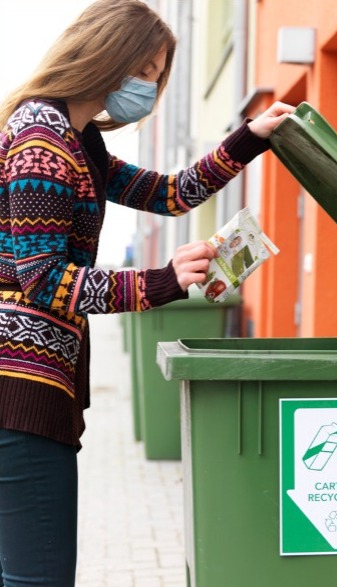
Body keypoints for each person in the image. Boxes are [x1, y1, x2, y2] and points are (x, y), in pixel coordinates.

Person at [0, 0, 293, 585]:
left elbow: (171, 194)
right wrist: (162, 282)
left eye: (158, 75)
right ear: (109, 55)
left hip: (31, 385)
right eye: (148, 70)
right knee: (39, 577)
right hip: (19, 390)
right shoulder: (41, 137)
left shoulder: (82, 143)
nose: (151, 86)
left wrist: (251, 137)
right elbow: (45, 280)